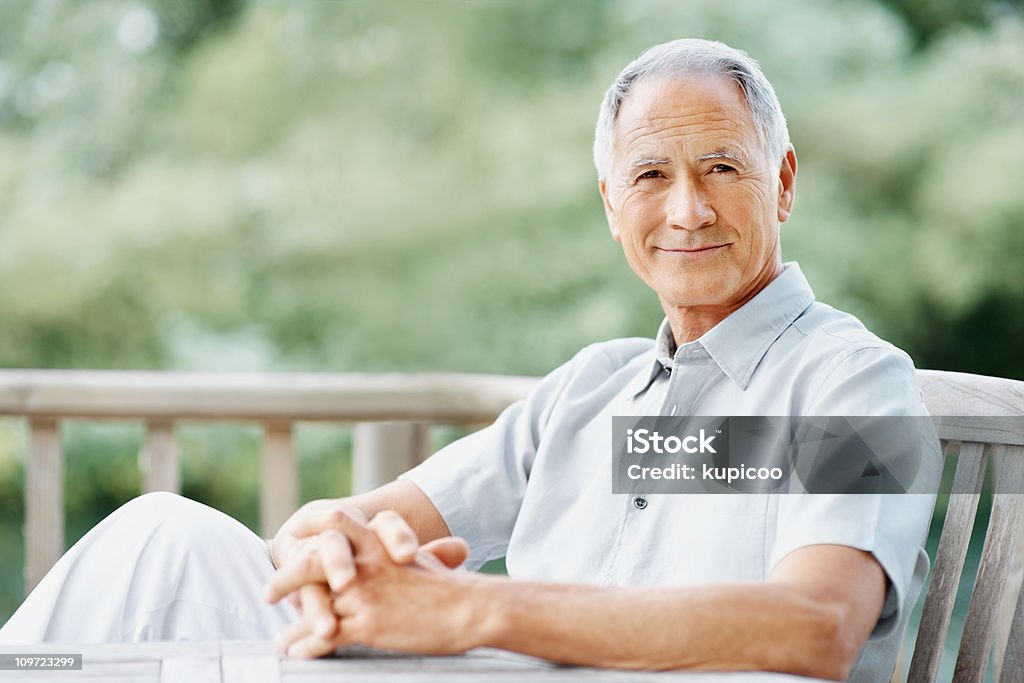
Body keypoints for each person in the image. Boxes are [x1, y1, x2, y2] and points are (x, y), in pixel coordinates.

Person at [0, 38, 941, 682]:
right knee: (166, 538)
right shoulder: (591, 394)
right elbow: (354, 524)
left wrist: (480, 612)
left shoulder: (846, 384)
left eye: (723, 168)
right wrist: (330, 543)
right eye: (652, 176)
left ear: (780, 182)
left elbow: (816, 627)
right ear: (612, 205)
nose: (687, 209)